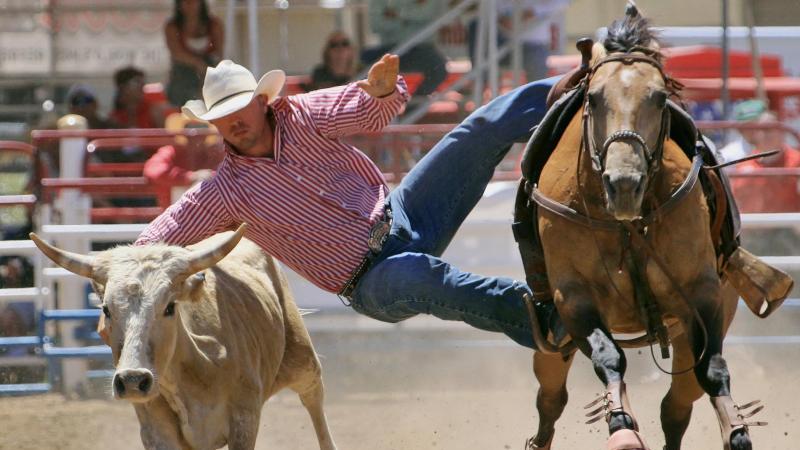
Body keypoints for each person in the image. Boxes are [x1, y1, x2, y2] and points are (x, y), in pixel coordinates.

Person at [136, 56, 559, 349]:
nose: (234, 122)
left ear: (262, 101)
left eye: (240, 109)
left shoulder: (301, 114)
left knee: (476, 129)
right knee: (423, 275)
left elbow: (366, 112)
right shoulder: (226, 190)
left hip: (402, 215)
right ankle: (547, 319)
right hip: (371, 281)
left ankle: (579, 89)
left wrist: (378, 92)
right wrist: (118, 267)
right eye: (222, 117)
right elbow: (164, 233)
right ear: (213, 124)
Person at [468, 0, 570, 83]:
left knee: (536, 61)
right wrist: (501, 19)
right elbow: (484, 10)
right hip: (504, 44)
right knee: (476, 26)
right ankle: (480, 82)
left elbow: (560, 3)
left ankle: (538, 99)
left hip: (533, 46)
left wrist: (527, 14)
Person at [363, 0, 448, 96]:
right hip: (390, 49)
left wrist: (397, 15)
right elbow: (376, 25)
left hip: (421, 48)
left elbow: (433, 15)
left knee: (438, 68)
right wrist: (415, 17)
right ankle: (369, 105)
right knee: (363, 68)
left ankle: (413, 107)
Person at [143, 113, 224, 204]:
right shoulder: (172, 151)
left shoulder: (215, 153)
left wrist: (208, 177)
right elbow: (153, 171)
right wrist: (190, 177)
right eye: (189, 127)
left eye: (201, 127)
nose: (195, 132)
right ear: (183, 132)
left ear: (207, 133)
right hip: (175, 211)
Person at [730, 111, 800, 213]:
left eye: (770, 129)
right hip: (753, 226)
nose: (766, 134)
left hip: (790, 226)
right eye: (761, 129)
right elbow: (735, 201)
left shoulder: (797, 161)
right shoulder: (744, 165)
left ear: (781, 132)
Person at [164, 0, 224, 107]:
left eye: (193, 1)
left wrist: (208, 72)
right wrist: (198, 64)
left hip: (210, 71)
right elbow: (176, 53)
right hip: (183, 75)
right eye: (186, 1)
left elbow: (219, 53)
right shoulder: (172, 26)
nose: (189, 4)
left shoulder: (214, 24)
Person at [717, 99, 767, 166]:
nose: (754, 130)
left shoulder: (781, 150)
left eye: (757, 124)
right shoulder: (727, 156)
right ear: (739, 129)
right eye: (748, 126)